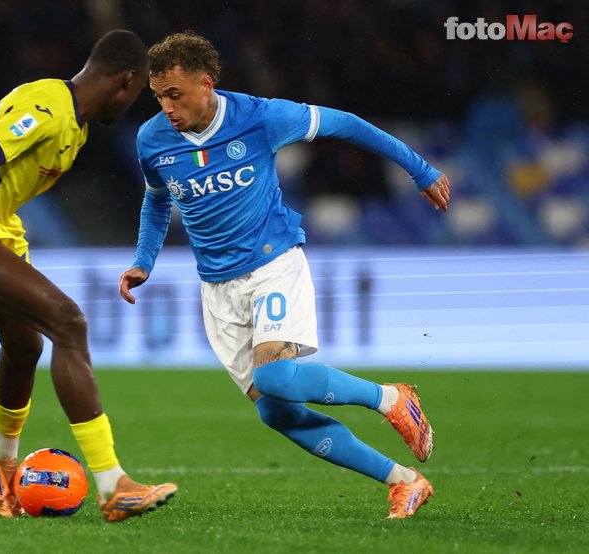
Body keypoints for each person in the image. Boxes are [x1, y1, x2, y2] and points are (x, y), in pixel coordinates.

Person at [119, 31, 450, 519]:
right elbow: (156, 199)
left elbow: (347, 124)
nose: (166, 107)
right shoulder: (152, 139)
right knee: (276, 411)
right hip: (216, 288)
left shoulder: (261, 117)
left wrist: (419, 170)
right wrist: (144, 261)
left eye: (175, 94)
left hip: (272, 265)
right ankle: (404, 481)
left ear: (206, 84)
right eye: (158, 97)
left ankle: (390, 398)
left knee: (277, 377)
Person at [0, 30, 177, 522]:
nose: (133, 105)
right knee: (68, 322)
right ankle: (113, 484)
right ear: (126, 81)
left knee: (25, 346)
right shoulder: (49, 108)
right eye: (139, 92)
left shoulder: (75, 126)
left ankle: (2, 459)